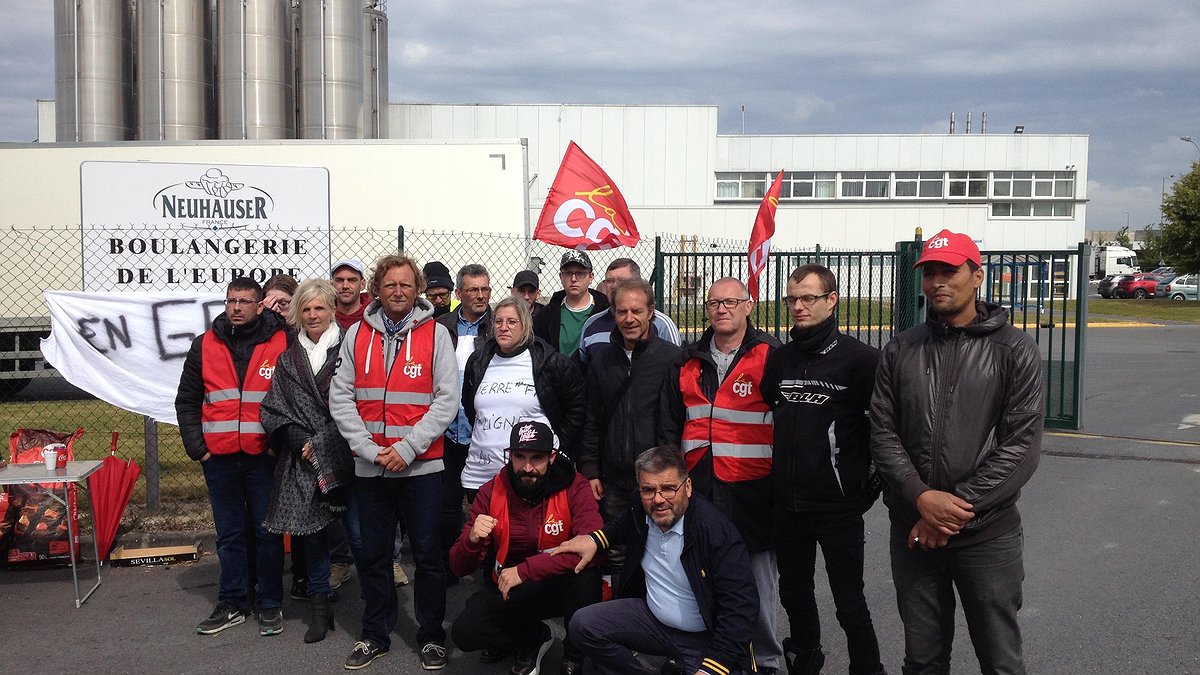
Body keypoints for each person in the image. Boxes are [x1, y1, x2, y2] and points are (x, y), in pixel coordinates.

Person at [871, 229, 1043, 674]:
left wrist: (951, 512)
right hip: (913, 530)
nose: (937, 282)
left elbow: (1020, 446)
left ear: (977, 275)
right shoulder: (900, 350)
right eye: (930, 272)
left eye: (949, 270)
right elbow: (883, 433)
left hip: (987, 536)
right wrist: (921, 498)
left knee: (1001, 660)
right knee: (923, 660)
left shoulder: (1015, 350)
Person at [329, 254, 460, 671]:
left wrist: (407, 450)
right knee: (372, 555)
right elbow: (340, 397)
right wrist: (369, 449)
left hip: (420, 469)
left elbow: (446, 401)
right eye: (390, 285)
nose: (398, 292)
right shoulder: (356, 336)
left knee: (428, 555)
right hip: (371, 469)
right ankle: (375, 634)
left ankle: (431, 635)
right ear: (378, 289)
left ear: (417, 288)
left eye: (405, 285)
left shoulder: (437, 334)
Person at [761, 265, 886, 675]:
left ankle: (868, 668)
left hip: (837, 508)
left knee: (849, 600)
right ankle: (805, 659)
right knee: (795, 593)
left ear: (831, 300)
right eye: (792, 298)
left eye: (808, 298)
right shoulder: (780, 359)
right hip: (787, 505)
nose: (798, 306)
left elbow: (886, 427)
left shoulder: (862, 360)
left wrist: (867, 486)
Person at [660, 277, 784, 674]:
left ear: (749, 306)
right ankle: (719, 661)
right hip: (702, 489)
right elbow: (671, 426)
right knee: (705, 580)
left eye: (731, 302)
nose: (722, 309)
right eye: (714, 303)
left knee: (758, 586)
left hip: (754, 491)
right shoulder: (688, 359)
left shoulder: (772, 356)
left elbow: (787, 426)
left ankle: (766, 663)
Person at [557, 446, 759, 675]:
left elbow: (741, 609)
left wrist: (712, 669)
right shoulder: (640, 506)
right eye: (648, 490)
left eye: (669, 489)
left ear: (688, 487)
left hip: (707, 640)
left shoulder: (715, 532)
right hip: (654, 624)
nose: (658, 499)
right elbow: (622, 525)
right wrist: (595, 540)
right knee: (583, 625)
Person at [176, 277, 290, 637]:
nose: (236, 307)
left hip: (263, 457)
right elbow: (187, 401)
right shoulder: (204, 345)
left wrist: (277, 444)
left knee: (267, 532)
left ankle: (270, 603)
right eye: (230, 301)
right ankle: (233, 602)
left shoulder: (283, 342)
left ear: (260, 306)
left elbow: (293, 398)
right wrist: (199, 449)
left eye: (244, 301)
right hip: (219, 458)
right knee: (229, 535)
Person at [448, 420, 602, 675]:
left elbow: (590, 546)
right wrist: (471, 541)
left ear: (551, 457)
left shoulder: (575, 486)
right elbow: (457, 565)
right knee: (465, 632)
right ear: (509, 456)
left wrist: (526, 569)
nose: (527, 467)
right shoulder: (490, 492)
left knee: (587, 576)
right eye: (519, 457)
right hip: (512, 588)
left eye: (537, 458)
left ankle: (574, 655)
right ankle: (532, 638)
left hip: (560, 585)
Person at [260, 279, 356, 644]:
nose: (313, 315)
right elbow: (273, 406)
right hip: (302, 459)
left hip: (348, 451)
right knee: (314, 536)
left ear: (332, 310)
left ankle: (376, 609)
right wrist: (296, 437)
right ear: (297, 314)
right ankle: (321, 607)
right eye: (307, 308)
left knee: (359, 534)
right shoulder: (287, 358)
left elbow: (360, 400)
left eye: (320, 308)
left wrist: (324, 441)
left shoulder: (351, 347)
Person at [577, 279, 682, 591]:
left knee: (662, 551)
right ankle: (624, 618)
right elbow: (592, 417)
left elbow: (676, 420)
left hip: (657, 479)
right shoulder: (602, 360)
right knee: (619, 553)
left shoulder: (671, 359)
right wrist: (591, 468)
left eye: (637, 310)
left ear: (651, 312)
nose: (629, 318)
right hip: (614, 478)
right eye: (621, 311)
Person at [461, 296, 587, 496]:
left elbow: (577, 407)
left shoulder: (550, 362)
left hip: (529, 475)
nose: (504, 327)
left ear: (525, 325)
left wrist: (557, 444)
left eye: (512, 322)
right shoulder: (479, 360)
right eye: (499, 321)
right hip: (480, 473)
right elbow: (470, 407)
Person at [436, 264, 494, 573]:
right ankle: (450, 566)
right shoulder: (441, 326)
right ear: (459, 294)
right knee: (447, 505)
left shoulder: (498, 327)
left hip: (482, 431)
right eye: (473, 289)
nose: (481, 295)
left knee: (488, 504)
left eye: (485, 289)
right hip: (445, 431)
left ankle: (491, 567)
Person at [576, 258, 682, 370]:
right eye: (609, 281)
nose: (614, 286)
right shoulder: (591, 324)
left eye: (621, 281)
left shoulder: (662, 325)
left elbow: (677, 367)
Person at [532, 250, 608, 357]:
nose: (573, 279)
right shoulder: (547, 315)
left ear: (591, 277)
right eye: (568, 273)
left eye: (580, 273)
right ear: (561, 277)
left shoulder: (605, 312)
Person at [332, 259, 371, 331]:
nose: (345, 286)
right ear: (332, 284)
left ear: (362, 284)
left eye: (352, 280)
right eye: (339, 280)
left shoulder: (374, 315)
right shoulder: (325, 316)